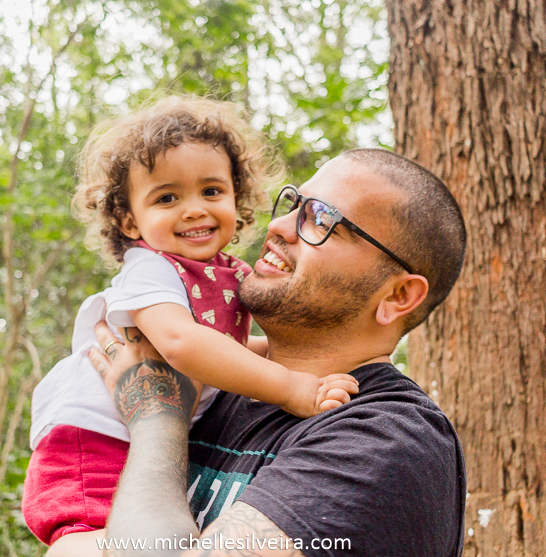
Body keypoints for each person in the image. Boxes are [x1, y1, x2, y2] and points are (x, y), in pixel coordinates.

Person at [52, 147, 468, 557]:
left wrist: (155, 418)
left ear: (398, 295)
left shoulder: (383, 440)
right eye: (293, 204)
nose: (280, 227)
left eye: (321, 219)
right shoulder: (219, 384)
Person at [23, 97, 358, 546]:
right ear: (129, 220)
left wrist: (313, 362)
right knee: (97, 541)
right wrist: (292, 387)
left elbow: (231, 350)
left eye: (212, 191)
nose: (195, 208)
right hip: (94, 440)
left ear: (237, 199)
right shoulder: (151, 269)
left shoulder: (231, 272)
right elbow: (180, 343)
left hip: (137, 438)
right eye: (167, 197)